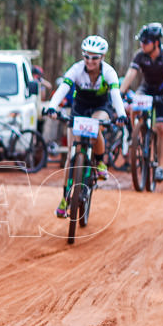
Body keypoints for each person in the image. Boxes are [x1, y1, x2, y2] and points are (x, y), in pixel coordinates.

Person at [43, 35, 129, 218]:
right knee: (70, 155)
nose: (90, 61)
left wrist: (121, 114)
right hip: (79, 107)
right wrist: (52, 106)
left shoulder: (109, 72)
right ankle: (65, 198)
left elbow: (115, 95)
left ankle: (99, 162)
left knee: (95, 126)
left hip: (100, 107)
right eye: (87, 56)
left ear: (102, 58)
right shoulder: (76, 69)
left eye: (95, 57)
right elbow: (62, 89)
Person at [118, 22, 163, 183]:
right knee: (134, 108)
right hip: (146, 89)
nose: (142, 44)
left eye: (146, 42)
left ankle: (159, 166)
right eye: (141, 41)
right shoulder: (140, 55)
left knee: (161, 128)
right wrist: (120, 92)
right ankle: (136, 134)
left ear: (156, 43)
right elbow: (131, 74)